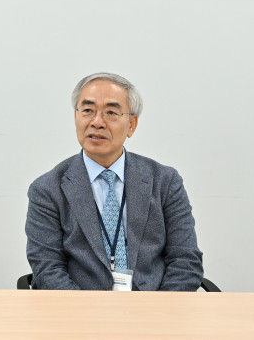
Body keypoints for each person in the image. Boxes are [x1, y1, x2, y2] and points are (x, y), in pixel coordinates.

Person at [25, 72, 203, 291]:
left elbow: (185, 260)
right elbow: (47, 269)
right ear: (75, 117)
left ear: (131, 125)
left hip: (153, 306)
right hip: (81, 307)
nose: (97, 122)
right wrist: (88, 311)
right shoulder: (47, 189)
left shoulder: (165, 182)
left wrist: (158, 309)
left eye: (111, 112)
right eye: (87, 110)